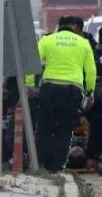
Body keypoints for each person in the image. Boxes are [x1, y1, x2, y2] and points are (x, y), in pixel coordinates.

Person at [36, 16, 97, 172]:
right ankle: (57, 166)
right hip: (73, 90)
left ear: (58, 26)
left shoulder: (47, 40)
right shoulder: (83, 43)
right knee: (64, 129)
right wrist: (90, 92)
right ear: (74, 27)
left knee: (45, 127)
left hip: (49, 87)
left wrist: (30, 85)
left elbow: (34, 62)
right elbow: (91, 71)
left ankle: (44, 163)